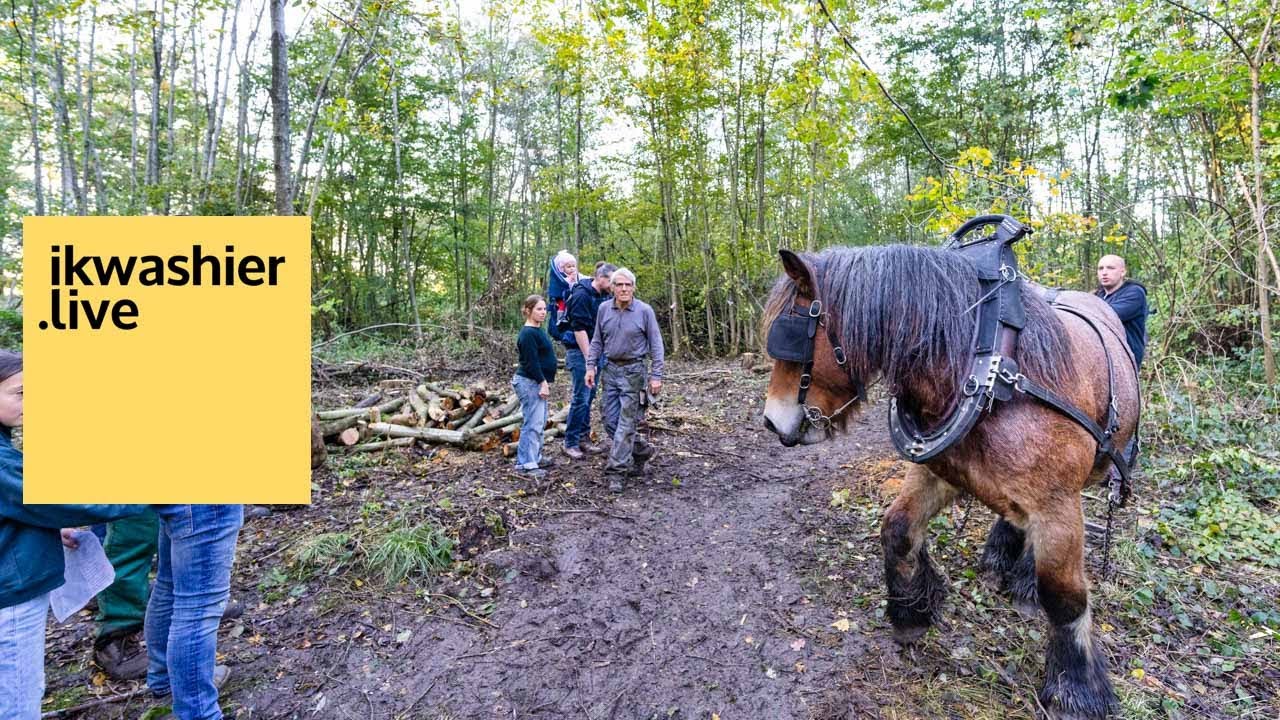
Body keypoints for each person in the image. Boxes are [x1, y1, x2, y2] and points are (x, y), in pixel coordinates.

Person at [0, 350, 146, 718]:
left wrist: (46, 524)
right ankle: (118, 637)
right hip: (10, 597)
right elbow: (56, 497)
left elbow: (21, 500)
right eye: (20, 393)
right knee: (18, 696)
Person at [585, 268, 665, 492]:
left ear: (634, 287)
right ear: (612, 288)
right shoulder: (604, 309)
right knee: (610, 421)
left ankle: (617, 472)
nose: (623, 289)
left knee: (626, 424)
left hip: (634, 372)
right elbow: (597, 340)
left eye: (628, 285)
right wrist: (590, 366)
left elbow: (656, 344)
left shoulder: (644, 311)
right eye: (619, 285)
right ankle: (642, 450)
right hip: (610, 370)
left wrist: (656, 375)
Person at [561, 262, 615, 459]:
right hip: (580, 353)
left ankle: (583, 438)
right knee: (581, 397)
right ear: (600, 278)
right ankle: (570, 442)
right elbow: (579, 329)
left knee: (589, 397)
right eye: (611, 281)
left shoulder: (604, 296)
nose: (614, 286)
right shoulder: (581, 295)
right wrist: (589, 360)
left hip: (597, 352)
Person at [513, 295, 557, 480]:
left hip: (535, 381)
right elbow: (531, 362)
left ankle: (535, 457)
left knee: (539, 422)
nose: (543, 312)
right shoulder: (528, 334)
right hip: (530, 382)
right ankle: (527, 464)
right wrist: (542, 382)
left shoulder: (538, 330)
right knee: (532, 423)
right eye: (539, 309)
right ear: (528, 310)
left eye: (544, 309)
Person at [1095, 254, 1149, 367]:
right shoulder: (1098, 295)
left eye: (1110, 268)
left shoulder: (1135, 293)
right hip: (1101, 356)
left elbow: (1107, 315)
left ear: (1123, 272)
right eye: (1101, 268)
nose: (1104, 272)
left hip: (1125, 360)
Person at [545, 251, 578, 340]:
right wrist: (570, 279)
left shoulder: (576, 275)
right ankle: (561, 318)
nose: (572, 268)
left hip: (572, 300)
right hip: (562, 300)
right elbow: (563, 284)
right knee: (561, 306)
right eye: (569, 267)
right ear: (562, 268)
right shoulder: (562, 277)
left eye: (573, 266)